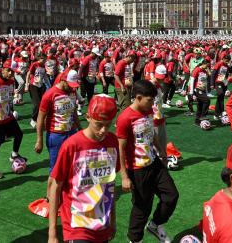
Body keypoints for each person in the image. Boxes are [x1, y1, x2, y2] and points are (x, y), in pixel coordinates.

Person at [48, 94, 119, 243]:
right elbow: (55, 187)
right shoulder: (72, 145)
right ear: (87, 117)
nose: (103, 130)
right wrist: (52, 233)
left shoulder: (113, 142)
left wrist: (112, 220)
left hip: (101, 225)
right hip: (76, 226)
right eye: (99, 124)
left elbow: (109, 185)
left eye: (108, 124)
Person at [116, 79, 178, 243]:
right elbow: (120, 148)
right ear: (137, 98)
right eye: (149, 100)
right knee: (142, 207)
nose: (152, 104)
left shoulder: (148, 110)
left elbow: (152, 132)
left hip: (154, 162)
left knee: (171, 195)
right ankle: (135, 239)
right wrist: (124, 176)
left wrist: (161, 150)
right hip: (137, 170)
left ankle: (155, 224)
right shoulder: (124, 118)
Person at [35, 68, 82, 197]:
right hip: (56, 135)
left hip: (71, 132)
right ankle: (50, 197)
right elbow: (40, 119)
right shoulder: (50, 94)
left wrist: (81, 129)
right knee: (55, 168)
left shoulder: (72, 91)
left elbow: (73, 113)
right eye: (70, 84)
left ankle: (66, 193)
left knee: (73, 163)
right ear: (63, 80)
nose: (72, 88)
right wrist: (39, 140)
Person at [188, 58, 211, 125]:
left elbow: (205, 82)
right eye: (207, 65)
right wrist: (191, 91)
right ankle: (203, 116)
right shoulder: (197, 70)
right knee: (207, 100)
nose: (207, 67)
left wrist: (206, 91)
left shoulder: (205, 71)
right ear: (203, 64)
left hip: (203, 90)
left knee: (200, 105)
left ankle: (197, 121)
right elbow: (192, 79)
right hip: (197, 89)